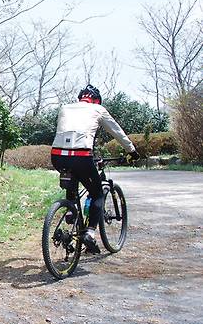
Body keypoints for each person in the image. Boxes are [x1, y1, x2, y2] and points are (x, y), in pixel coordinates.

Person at [51, 84, 140, 254]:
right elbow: (117, 132)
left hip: (57, 156)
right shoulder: (98, 109)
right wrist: (132, 151)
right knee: (97, 193)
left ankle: (71, 213)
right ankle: (90, 233)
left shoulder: (65, 108)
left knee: (73, 180)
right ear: (96, 100)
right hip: (82, 155)